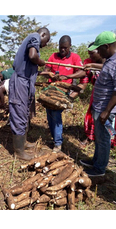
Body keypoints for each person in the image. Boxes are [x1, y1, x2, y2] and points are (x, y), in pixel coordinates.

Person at [82, 31, 116, 177]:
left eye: (100, 49)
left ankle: (99, 170)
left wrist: (107, 111)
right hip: (99, 105)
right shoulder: (111, 58)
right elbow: (106, 70)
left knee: (103, 139)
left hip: (106, 108)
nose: (99, 52)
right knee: (99, 136)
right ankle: (96, 161)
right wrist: (92, 65)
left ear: (106, 46)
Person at [9, 27, 51, 161]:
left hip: (26, 82)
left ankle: (24, 142)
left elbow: (31, 67)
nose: (44, 46)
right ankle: (19, 151)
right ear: (43, 35)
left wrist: (45, 72)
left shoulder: (32, 40)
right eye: (46, 42)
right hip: (20, 82)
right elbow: (33, 56)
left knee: (25, 113)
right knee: (20, 113)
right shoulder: (35, 37)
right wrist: (41, 62)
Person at [44, 35, 83, 152]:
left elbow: (82, 73)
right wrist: (49, 74)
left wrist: (67, 76)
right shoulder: (53, 56)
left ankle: (58, 143)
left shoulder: (75, 58)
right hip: (51, 90)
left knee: (56, 115)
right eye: (60, 47)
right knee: (49, 114)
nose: (62, 50)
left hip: (63, 91)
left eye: (65, 48)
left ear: (70, 46)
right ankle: (54, 138)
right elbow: (46, 70)